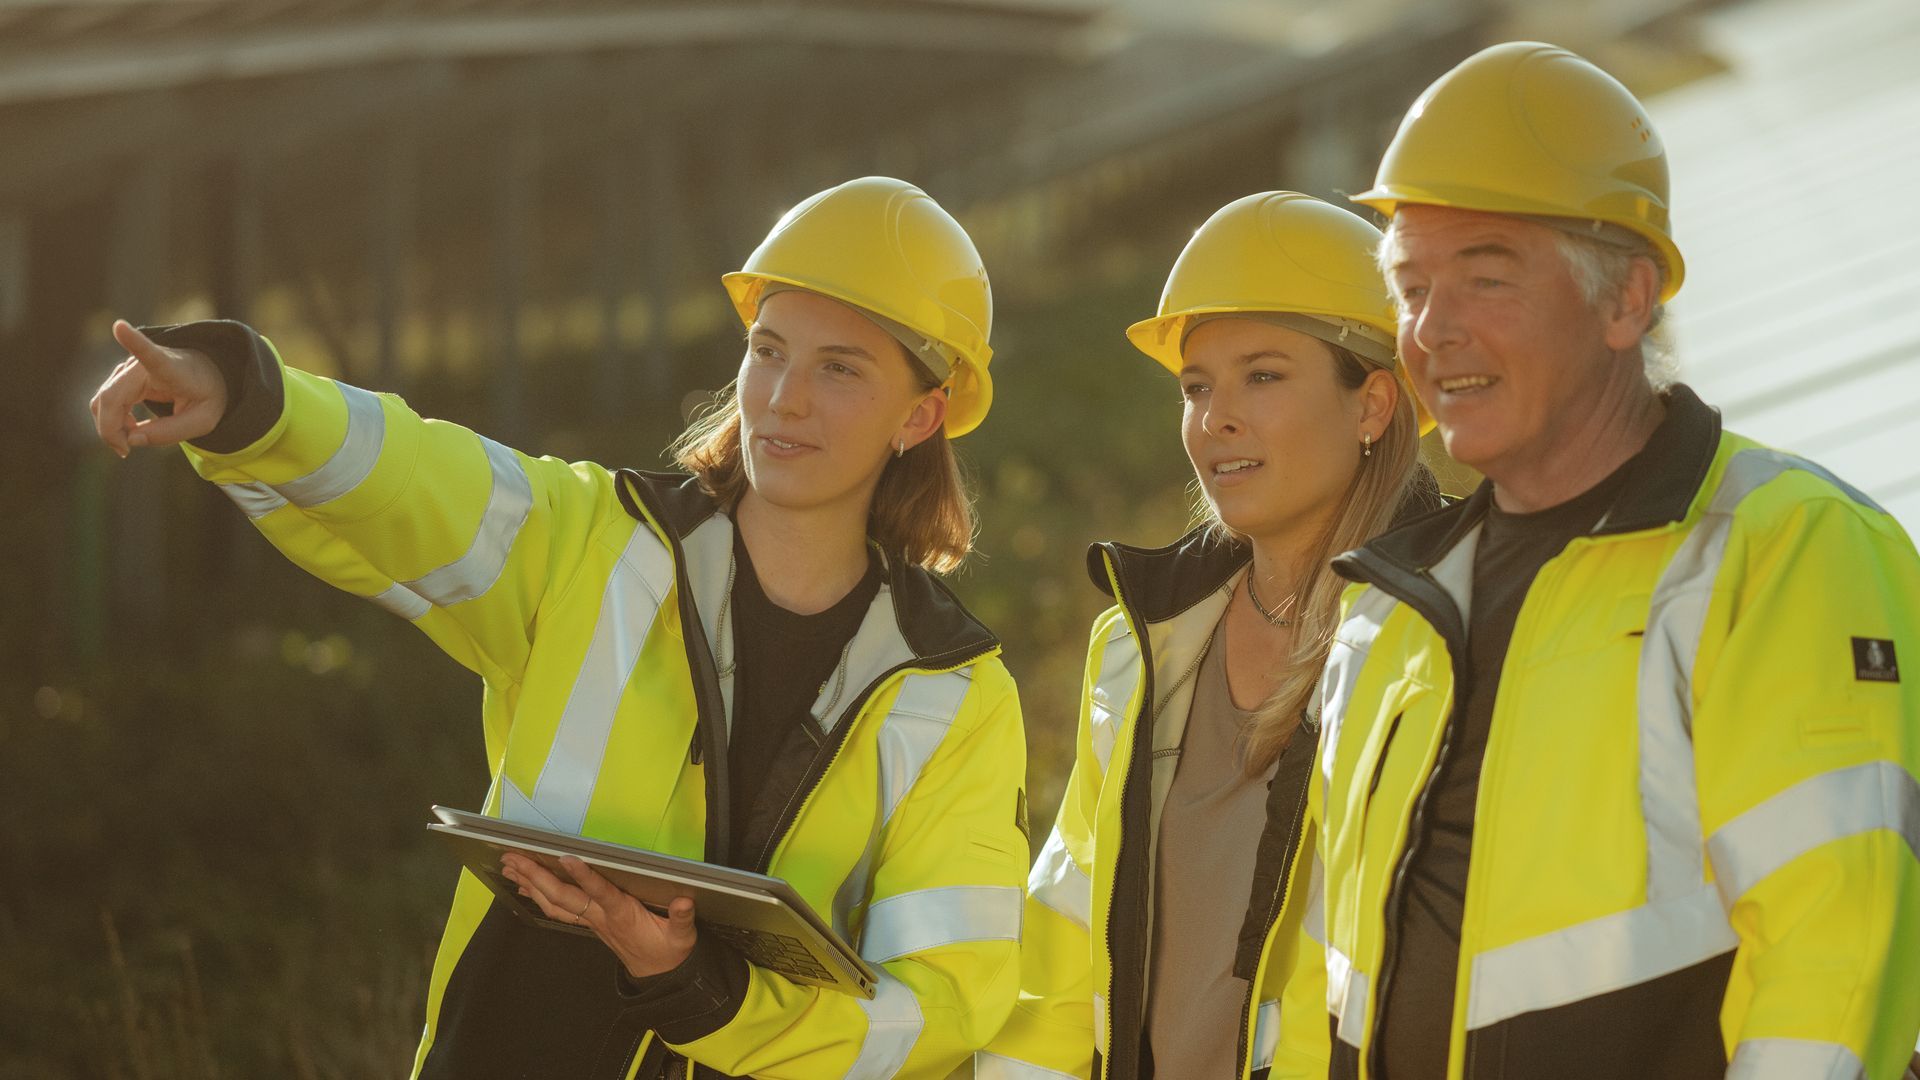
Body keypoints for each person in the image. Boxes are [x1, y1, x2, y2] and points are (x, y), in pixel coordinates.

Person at [88, 176, 1031, 1080]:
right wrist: (250, 399)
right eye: (770, 349)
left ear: (922, 414)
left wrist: (701, 994)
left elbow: (941, 1008)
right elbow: (410, 475)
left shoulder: (954, 693)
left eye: (840, 369)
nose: (783, 398)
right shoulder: (595, 542)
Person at [1272, 41, 1920, 1079]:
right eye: (1410, 286)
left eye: (1485, 277)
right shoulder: (1390, 607)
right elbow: (1321, 982)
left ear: (1627, 299)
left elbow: (1836, 962)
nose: (1433, 332)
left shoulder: (1780, 550)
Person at [977, 192, 1439, 1079]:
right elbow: (1064, 960)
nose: (1214, 417)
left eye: (1262, 375)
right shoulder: (1141, 648)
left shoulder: (1443, 635)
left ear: (1373, 403)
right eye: (1197, 387)